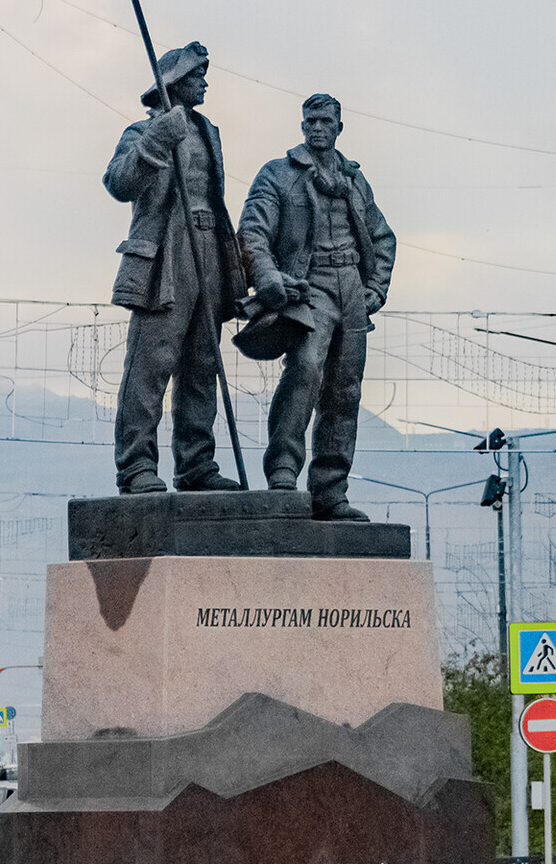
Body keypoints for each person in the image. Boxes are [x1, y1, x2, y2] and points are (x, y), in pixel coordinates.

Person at [237, 94, 396, 521]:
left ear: (339, 127)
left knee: (345, 391)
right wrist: (268, 277)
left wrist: (376, 289)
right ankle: (284, 472)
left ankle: (330, 492)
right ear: (302, 125)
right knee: (305, 370)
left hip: (352, 291)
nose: (317, 128)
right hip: (310, 287)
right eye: (310, 121)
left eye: (326, 121)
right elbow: (253, 229)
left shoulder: (355, 180)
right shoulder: (279, 174)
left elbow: (383, 238)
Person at [103, 41, 246, 495]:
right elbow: (119, 183)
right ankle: (136, 466)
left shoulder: (208, 131)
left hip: (210, 249)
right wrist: (156, 141)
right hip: (167, 252)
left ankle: (196, 464)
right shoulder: (142, 131)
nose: (206, 82)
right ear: (176, 81)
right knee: (152, 364)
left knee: (202, 363)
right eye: (198, 75)